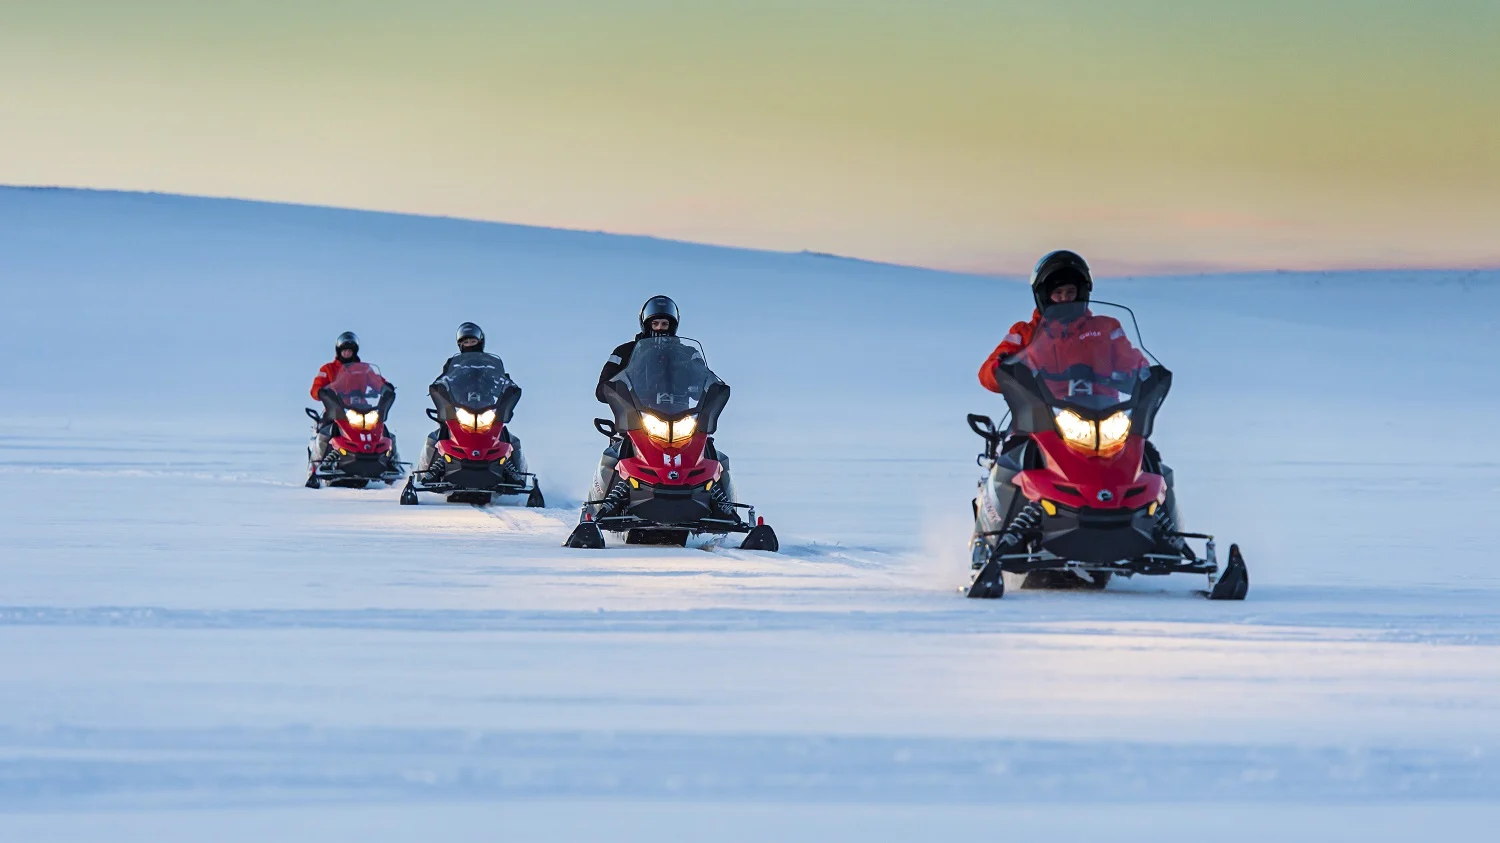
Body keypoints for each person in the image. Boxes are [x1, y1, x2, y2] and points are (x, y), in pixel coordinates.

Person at [977, 250, 1191, 558]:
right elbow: (988, 372)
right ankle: (998, 540)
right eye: (1058, 293)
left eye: (1071, 292)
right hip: (1041, 415)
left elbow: (1134, 360)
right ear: (1044, 296)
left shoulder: (1106, 328)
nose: (1065, 299)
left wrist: (1145, 375)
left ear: (1083, 293)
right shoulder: (1026, 332)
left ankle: (1165, 539)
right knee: (1016, 457)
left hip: (1104, 414)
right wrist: (1003, 367)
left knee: (1148, 457)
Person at [592, 295, 739, 521]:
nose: (660, 328)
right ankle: (601, 509)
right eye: (655, 323)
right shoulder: (625, 352)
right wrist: (616, 390)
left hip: (680, 417)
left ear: (673, 325)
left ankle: (727, 511)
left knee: (711, 452)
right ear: (646, 323)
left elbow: (703, 378)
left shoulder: (687, 354)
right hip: (638, 416)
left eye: (665, 324)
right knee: (618, 453)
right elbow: (604, 386)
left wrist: (709, 390)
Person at [415, 322, 528, 479]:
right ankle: (428, 474)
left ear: (480, 342)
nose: (469, 345)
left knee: (506, 436)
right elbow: (444, 379)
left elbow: (502, 378)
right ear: (460, 345)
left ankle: (517, 475)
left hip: (487, 406)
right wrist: (439, 387)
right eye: (465, 342)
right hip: (459, 406)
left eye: (472, 341)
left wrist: (508, 386)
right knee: (438, 435)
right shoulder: (454, 365)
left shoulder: (490, 365)